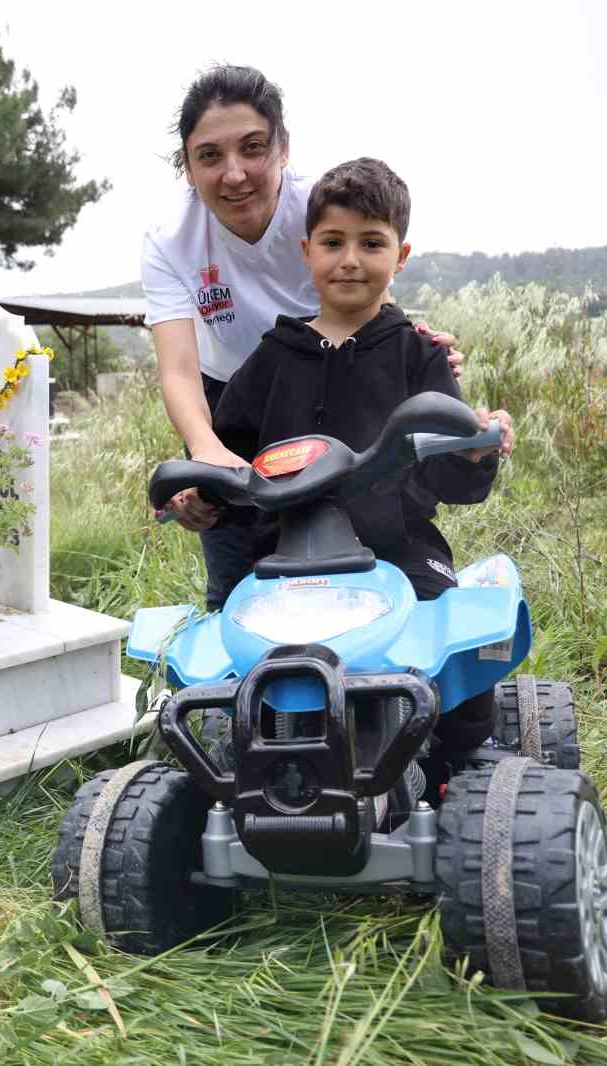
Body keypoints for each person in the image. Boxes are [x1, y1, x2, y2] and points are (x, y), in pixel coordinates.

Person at [207, 155, 515, 757]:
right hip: (280, 565)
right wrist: (205, 497)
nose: (350, 260)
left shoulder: (416, 354)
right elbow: (230, 461)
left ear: (399, 257)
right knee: (222, 670)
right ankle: (236, 781)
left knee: (460, 654)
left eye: (371, 243)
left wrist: (476, 453)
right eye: (333, 242)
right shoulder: (272, 357)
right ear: (307, 251)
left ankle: (461, 777)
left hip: (400, 550)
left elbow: (450, 471)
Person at [141, 65, 465, 610]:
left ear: (283, 149)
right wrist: (207, 453)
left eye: (253, 148)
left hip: (336, 379)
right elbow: (178, 370)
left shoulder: (320, 208)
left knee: (378, 527)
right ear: (189, 166)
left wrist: (415, 348)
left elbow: (365, 290)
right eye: (210, 156)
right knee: (238, 580)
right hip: (234, 403)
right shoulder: (171, 241)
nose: (236, 174)